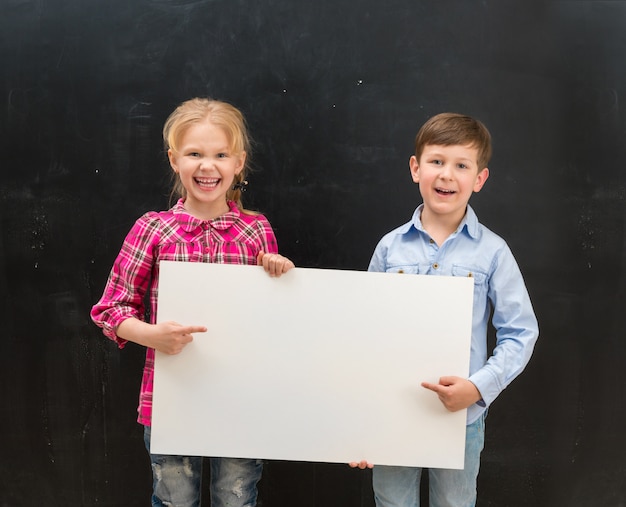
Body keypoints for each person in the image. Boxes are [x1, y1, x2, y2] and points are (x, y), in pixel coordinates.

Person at [91, 97, 294, 507]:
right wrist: (151, 335)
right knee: (174, 501)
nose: (208, 166)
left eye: (220, 155)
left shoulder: (256, 231)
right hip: (171, 397)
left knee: (236, 498)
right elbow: (110, 309)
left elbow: (274, 318)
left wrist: (277, 268)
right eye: (195, 154)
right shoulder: (152, 229)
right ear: (174, 159)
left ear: (238, 162)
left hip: (241, 396)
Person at [350, 113, 539, 507]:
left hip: (461, 419)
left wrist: (478, 387)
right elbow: (365, 332)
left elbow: (520, 332)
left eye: (461, 165)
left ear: (479, 179)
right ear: (415, 168)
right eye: (436, 161)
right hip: (394, 415)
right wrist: (363, 423)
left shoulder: (492, 251)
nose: (447, 175)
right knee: (392, 502)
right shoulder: (390, 248)